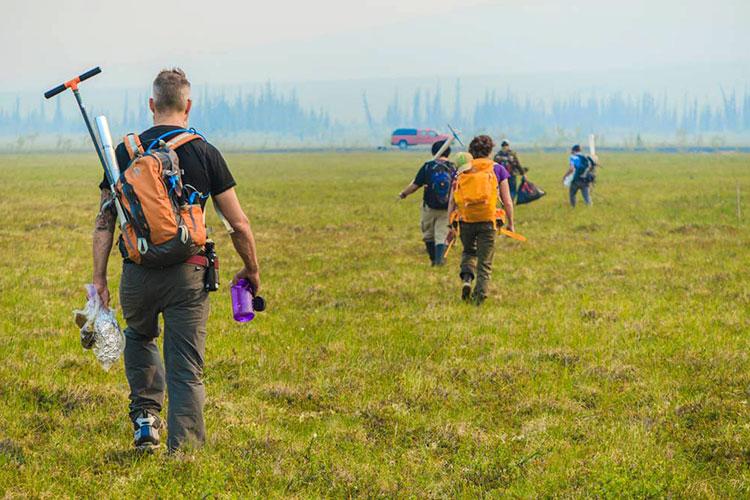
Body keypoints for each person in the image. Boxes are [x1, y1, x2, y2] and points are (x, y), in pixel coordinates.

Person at [92, 68, 261, 452]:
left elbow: (104, 221)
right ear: (188, 105)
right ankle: (183, 451)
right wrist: (251, 269)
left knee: (138, 337)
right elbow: (238, 224)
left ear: (152, 105)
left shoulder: (123, 153)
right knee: (186, 366)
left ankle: (146, 421)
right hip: (190, 273)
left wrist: (99, 278)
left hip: (137, 272)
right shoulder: (205, 151)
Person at [448, 135, 514, 305]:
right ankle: (479, 299)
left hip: (466, 219)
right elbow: (507, 200)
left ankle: (467, 279)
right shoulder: (497, 169)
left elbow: (452, 199)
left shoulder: (463, 168)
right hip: (488, 220)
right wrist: (511, 223)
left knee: (469, 252)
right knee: (485, 261)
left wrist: (451, 224)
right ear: (490, 150)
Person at [398, 140, 457, 266]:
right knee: (442, 235)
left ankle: (434, 260)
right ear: (448, 152)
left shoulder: (427, 166)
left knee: (429, 235)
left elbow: (415, 186)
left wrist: (403, 194)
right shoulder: (453, 168)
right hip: (448, 207)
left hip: (429, 207)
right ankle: (440, 260)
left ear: (433, 151)